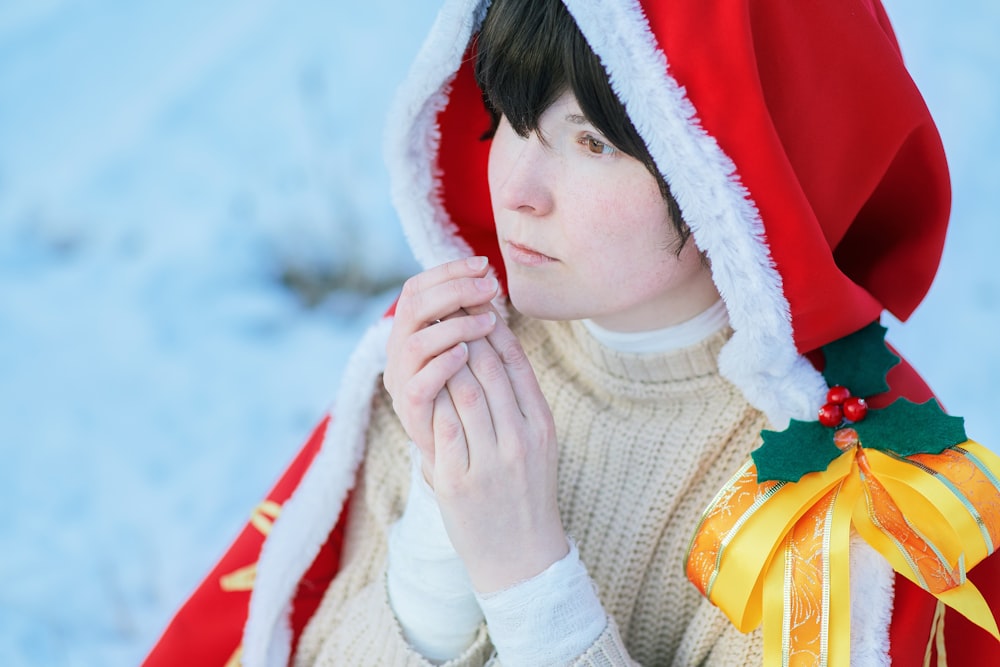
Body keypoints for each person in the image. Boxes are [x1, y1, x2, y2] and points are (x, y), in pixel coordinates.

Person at [143, 0, 1000, 665]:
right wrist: (444, 537)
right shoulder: (461, 349)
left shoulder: (831, 498)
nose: (516, 187)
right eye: (510, 118)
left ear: (736, 175)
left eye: (590, 142)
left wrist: (527, 575)